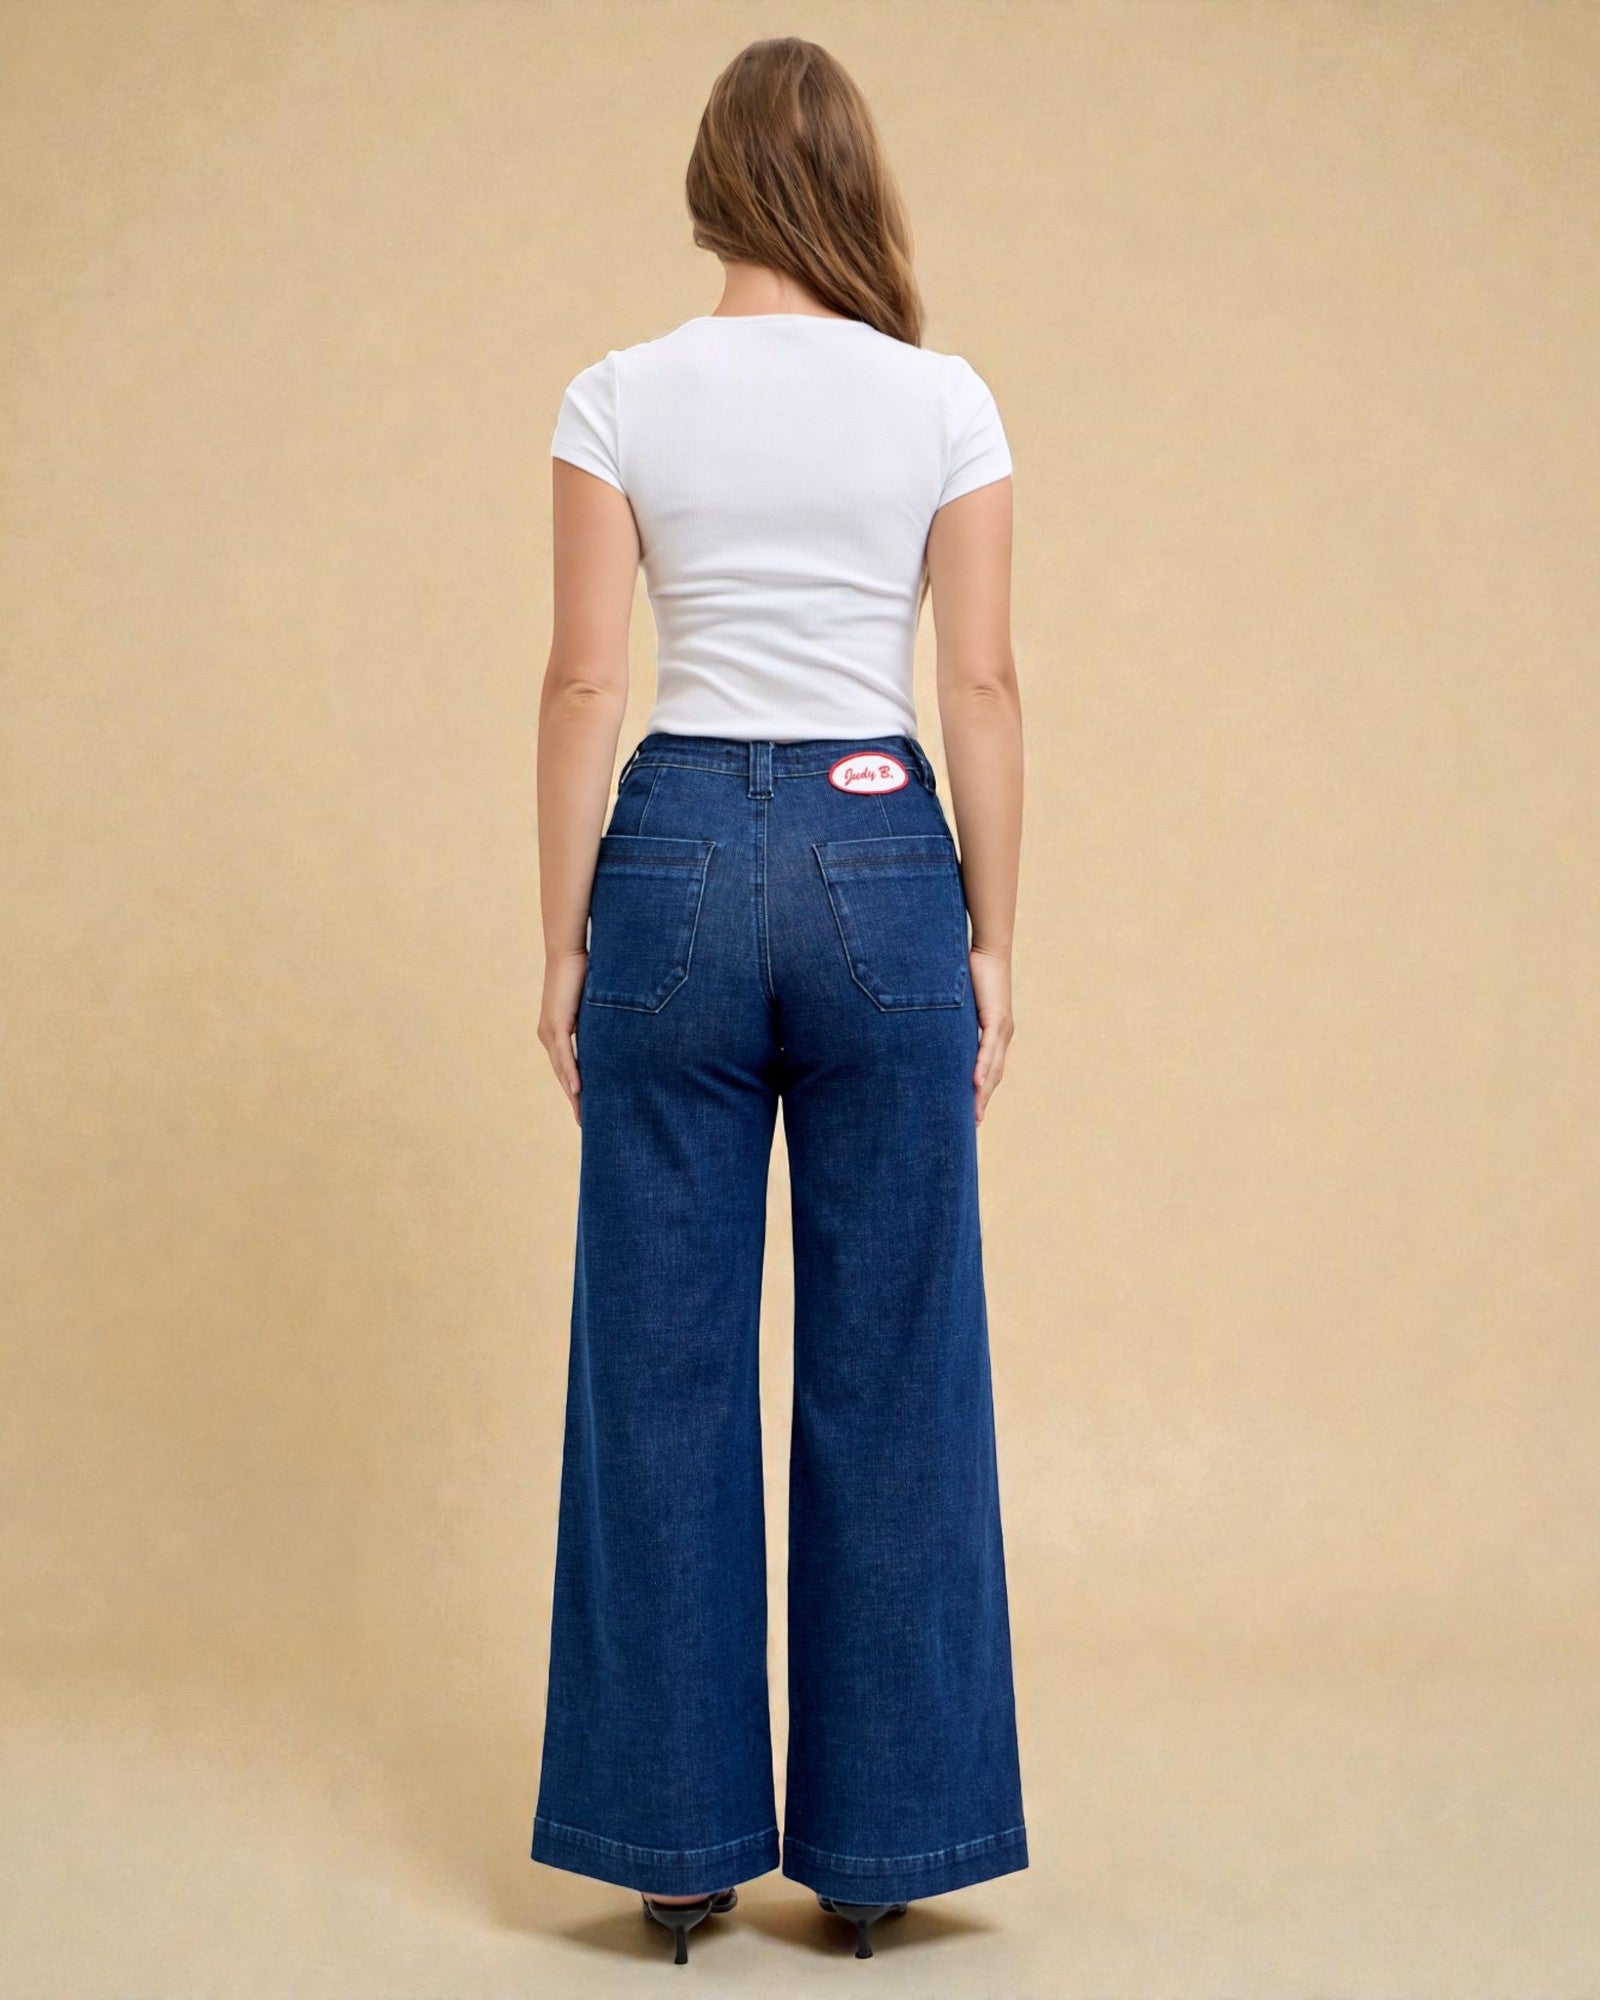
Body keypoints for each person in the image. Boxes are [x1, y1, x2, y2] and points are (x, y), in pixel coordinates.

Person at [528, 35, 1028, 1965]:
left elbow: (586, 684)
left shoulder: (615, 395)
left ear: (713, 186)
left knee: (656, 1370)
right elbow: (978, 688)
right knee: (897, 1361)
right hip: (883, 847)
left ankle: (672, 1855)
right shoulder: (946, 402)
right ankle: (886, 1853)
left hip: (667, 857)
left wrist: (563, 938)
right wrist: (992, 937)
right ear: (855, 186)